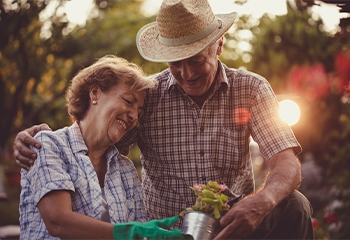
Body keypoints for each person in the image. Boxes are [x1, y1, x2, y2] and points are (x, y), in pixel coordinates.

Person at [14, 0, 315, 239]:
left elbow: (285, 163)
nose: (186, 73)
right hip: (167, 232)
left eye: (196, 60)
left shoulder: (251, 88)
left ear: (218, 45)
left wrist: (260, 202)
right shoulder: (149, 96)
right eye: (175, 63)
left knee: (295, 205)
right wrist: (40, 137)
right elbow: (96, 138)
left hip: (233, 227)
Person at [18, 55, 186, 239]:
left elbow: (140, 229)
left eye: (139, 110)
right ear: (95, 93)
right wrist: (130, 232)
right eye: (129, 101)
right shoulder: (49, 145)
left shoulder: (126, 170)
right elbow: (58, 222)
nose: (134, 116)